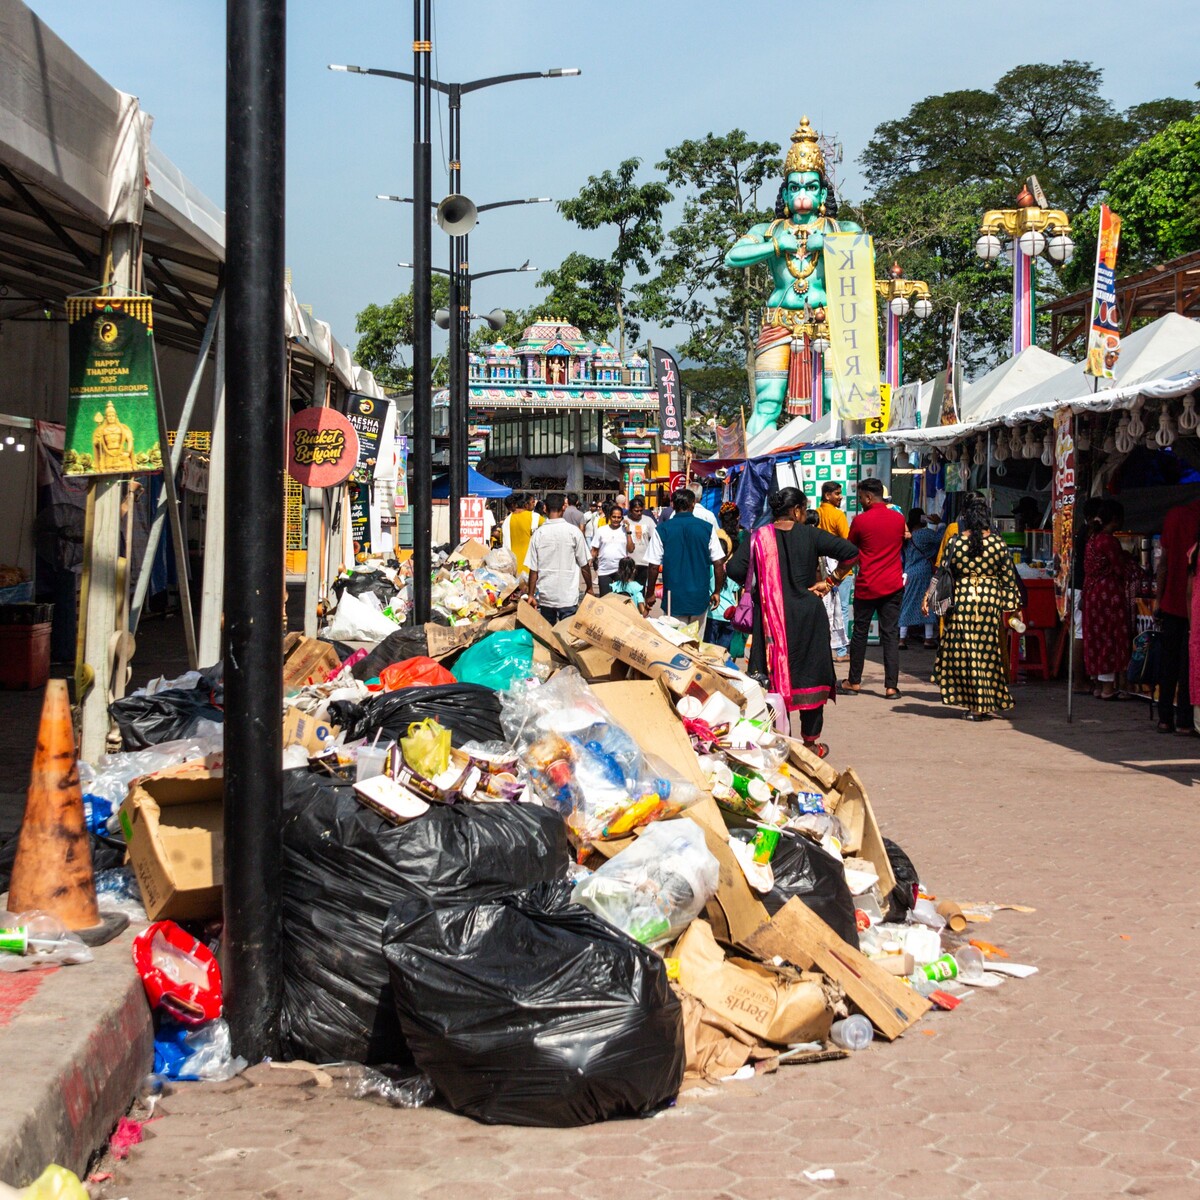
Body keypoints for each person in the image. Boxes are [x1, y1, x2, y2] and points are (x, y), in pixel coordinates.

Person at [726, 487, 858, 756]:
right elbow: (851, 552)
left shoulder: (757, 537)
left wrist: (761, 586)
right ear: (798, 510)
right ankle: (810, 744)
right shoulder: (810, 534)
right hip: (808, 617)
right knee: (810, 677)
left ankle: (776, 742)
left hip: (771, 621)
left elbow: (734, 569)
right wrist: (830, 582)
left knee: (772, 679)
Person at [923, 492, 1023, 721]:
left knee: (966, 653)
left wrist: (927, 596)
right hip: (989, 603)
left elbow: (942, 572)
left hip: (963, 601)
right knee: (988, 652)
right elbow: (1008, 578)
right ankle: (985, 702)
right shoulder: (998, 543)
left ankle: (974, 704)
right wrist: (1014, 607)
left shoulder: (956, 542)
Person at [842, 477, 907, 699]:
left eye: (861, 497)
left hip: (868, 584)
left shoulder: (860, 521)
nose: (860, 501)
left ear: (869, 498)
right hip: (893, 584)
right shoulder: (898, 519)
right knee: (890, 634)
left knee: (860, 633)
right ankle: (891, 687)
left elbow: (851, 551)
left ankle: (854, 681)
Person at [644, 491, 726, 637]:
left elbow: (653, 566)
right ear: (693, 503)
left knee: (675, 644)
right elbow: (719, 562)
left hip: (673, 598)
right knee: (696, 644)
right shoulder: (707, 528)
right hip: (699, 597)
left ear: (673, 505)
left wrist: (650, 593)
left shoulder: (662, 529)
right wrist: (717, 591)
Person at [1154, 496, 1200, 733]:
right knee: (1188, 665)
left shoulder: (1175, 515)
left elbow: (1163, 564)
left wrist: (1158, 600)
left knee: (1169, 663)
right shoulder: (1190, 518)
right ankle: (1184, 720)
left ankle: (1164, 718)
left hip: (1172, 603)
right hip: (1194, 608)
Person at [1083, 499, 1136, 700]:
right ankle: (1108, 688)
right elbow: (1120, 568)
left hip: (1092, 594)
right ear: (1115, 519)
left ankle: (1098, 685)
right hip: (1109, 596)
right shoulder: (1108, 541)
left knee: (1096, 637)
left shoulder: (1092, 539)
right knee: (1111, 638)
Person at [525, 493, 592, 624]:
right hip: (568, 596)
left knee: (548, 638)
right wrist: (589, 587)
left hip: (546, 596)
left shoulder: (538, 534)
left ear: (545, 508)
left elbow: (534, 569)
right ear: (564, 508)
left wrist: (531, 594)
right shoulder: (574, 532)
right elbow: (584, 565)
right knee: (567, 637)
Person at [1069, 497, 1104, 693]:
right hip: (1080, 586)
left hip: (1079, 586)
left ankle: (1082, 679)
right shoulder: (1087, 534)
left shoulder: (1084, 532)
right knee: (1080, 632)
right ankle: (1079, 681)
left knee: (1080, 631)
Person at [816, 481, 852, 661]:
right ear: (827, 495)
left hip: (820, 568)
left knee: (824, 610)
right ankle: (841, 651)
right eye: (837, 493)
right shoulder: (837, 515)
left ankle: (824, 649)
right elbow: (847, 543)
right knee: (841, 609)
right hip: (840, 568)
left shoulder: (816, 513)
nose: (840, 496)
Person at [899, 509, 942, 649]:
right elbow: (941, 538)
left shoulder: (907, 536)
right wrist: (939, 523)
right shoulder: (925, 534)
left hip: (909, 572)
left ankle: (902, 638)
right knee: (927, 602)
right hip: (924, 572)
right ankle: (928, 638)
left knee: (907, 603)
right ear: (922, 519)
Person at [710, 503, 746, 653]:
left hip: (714, 607)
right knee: (727, 647)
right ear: (738, 517)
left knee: (711, 646)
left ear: (720, 517)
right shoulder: (745, 536)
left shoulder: (716, 535)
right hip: (735, 600)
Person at [591, 502, 634, 596]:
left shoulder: (625, 531)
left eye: (619, 517)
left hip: (621, 571)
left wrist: (628, 532)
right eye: (614, 517)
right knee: (606, 600)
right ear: (610, 517)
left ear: (622, 518)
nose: (616, 519)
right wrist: (589, 563)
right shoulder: (601, 530)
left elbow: (631, 549)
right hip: (604, 570)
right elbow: (594, 550)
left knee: (621, 600)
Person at [501, 493, 544, 577]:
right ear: (525, 504)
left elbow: (502, 541)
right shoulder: (535, 517)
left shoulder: (506, 521)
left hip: (512, 568)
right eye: (531, 502)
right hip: (531, 568)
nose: (533, 504)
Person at [626, 496, 658, 586]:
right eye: (636, 511)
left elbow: (654, 538)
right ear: (630, 510)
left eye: (641, 510)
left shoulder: (648, 520)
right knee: (627, 592)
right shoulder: (624, 520)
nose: (639, 513)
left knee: (640, 591)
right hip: (628, 562)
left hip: (643, 562)